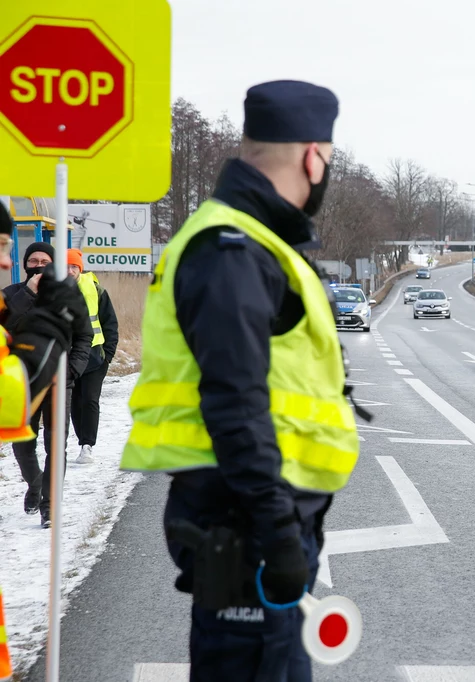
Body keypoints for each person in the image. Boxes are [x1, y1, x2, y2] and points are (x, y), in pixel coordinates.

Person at [120, 80, 360, 682]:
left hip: (256, 522)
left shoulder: (250, 242)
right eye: (326, 163)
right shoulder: (234, 249)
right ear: (313, 158)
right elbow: (236, 403)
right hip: (247, 530)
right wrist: (278, 534)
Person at [0, 203, 90, 522]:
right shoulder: (11, 294)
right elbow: (6, 329)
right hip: (23, 382)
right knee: (23, 443)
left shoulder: (68, 296)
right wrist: (27, 293)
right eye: (33, 261)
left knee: (57, 445)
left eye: (44, 262)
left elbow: (83, 337)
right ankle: (34, 483)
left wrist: (73, 369)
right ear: (26, 265)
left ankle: (50, 506)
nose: (38, 266)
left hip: (59, 382)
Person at [67, 248, 119, 464]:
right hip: (68, 358)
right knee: (75, 402)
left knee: (90, 400)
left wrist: (108, 356)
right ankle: (82, 440)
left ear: (80, 268)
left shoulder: (97, 291)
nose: (70, 271)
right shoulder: (50, 291)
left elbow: (110, 324)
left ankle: (87, 445)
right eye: (66, 267)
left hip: (95, 357)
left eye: (74, 267)